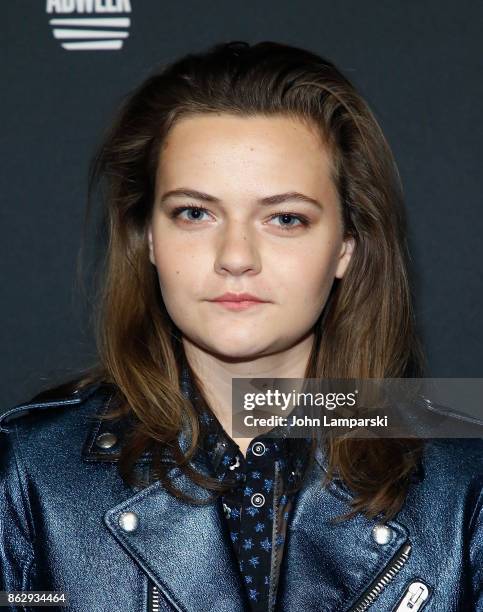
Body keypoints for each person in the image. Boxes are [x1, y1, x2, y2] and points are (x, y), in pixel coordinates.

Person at [0, 40, 481, 612]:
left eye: (284, 218)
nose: (235, 256)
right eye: (195, 213)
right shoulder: (31, 477)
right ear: (149, 237)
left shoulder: (464, 482)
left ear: (347, 247)